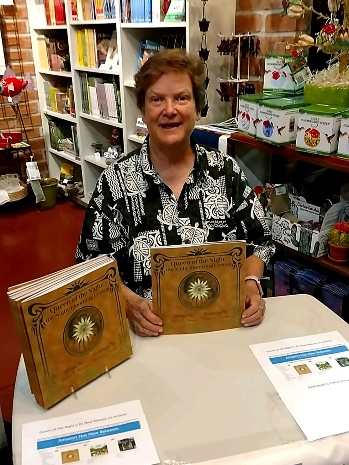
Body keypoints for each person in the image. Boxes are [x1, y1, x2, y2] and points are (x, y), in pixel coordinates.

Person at [76, 49, 275, 336]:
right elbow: (91, 264)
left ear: (197, 108)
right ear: (143, 111)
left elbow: (259, 242)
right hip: (148, 335)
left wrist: (251, 283)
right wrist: (128, 303)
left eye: (181, 98)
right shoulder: (115, 182)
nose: (170, 110)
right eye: (157, 99)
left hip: (223, 329)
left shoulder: (225, 172)